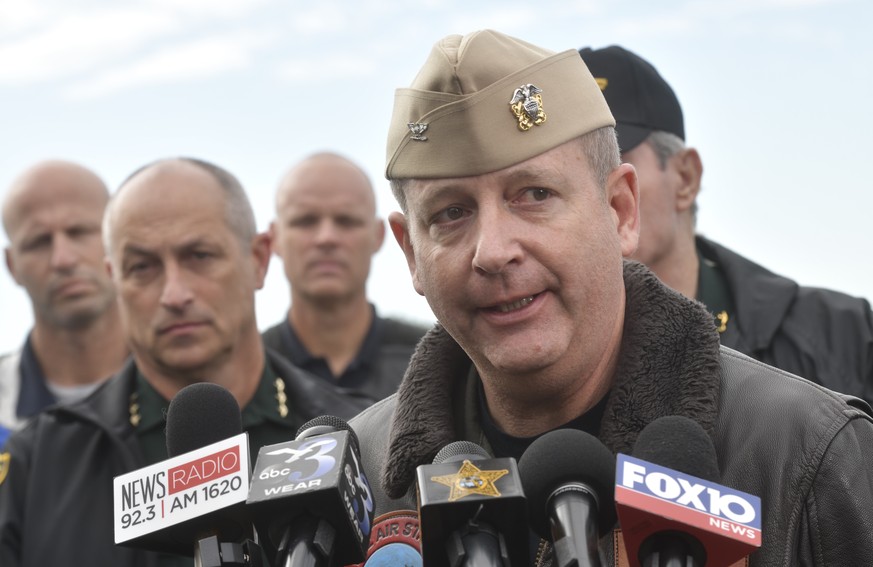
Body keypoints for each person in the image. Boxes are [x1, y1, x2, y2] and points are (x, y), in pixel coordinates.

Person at [348, 29, 873, 566]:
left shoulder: (803, 455)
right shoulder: (358, 483)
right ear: (412, 252)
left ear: (620, 210)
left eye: (534, 195)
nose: (494, 251)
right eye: (451, 213)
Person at [0, 157, 365, 566]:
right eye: (142, 267)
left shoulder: (359, 435)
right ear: (113, 277)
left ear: (259, 259)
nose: (174, 294)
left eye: (199, 255)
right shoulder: (38, 465)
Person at [578, 45, 873, 406]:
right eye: (572, 175)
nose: (594, 193)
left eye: (613, 162)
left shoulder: (844, 337)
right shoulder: (531, 358)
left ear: (686, 178)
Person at [263, 152, 429, 411]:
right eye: (305, 221)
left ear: (379, 236)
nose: (326, 238)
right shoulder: (249, 373)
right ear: (274, 239)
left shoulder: (436, 362)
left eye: (346, 221)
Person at [0, 160, 128, 443]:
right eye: (39, 241)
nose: (63, 259)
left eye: (79, 232)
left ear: (118, 239)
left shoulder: (188, 382)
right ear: (12, 266)